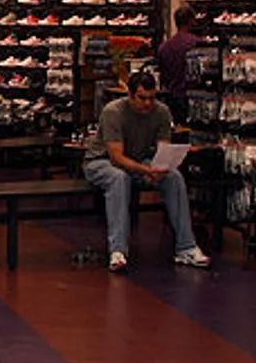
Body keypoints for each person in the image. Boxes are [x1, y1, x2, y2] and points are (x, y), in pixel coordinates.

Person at [83, 71, 209, 272]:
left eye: (152, 98)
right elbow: (116, 157)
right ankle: (118, 251)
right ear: (130, 95)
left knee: (174, 177)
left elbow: (163, 149)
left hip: (137, 161)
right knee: (119, 178)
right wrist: (145, 169)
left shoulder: (161, 112)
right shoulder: (113, 112)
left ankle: (186, 247)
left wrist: (160, 168)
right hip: (102, 162)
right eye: (142, 98)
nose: (148, 103)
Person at [155, 6, 203, 123]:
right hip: (195, 96)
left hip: (173, 96)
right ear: (191, 21)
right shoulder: (199, 44)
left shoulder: (164, 46)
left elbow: (162, 74)